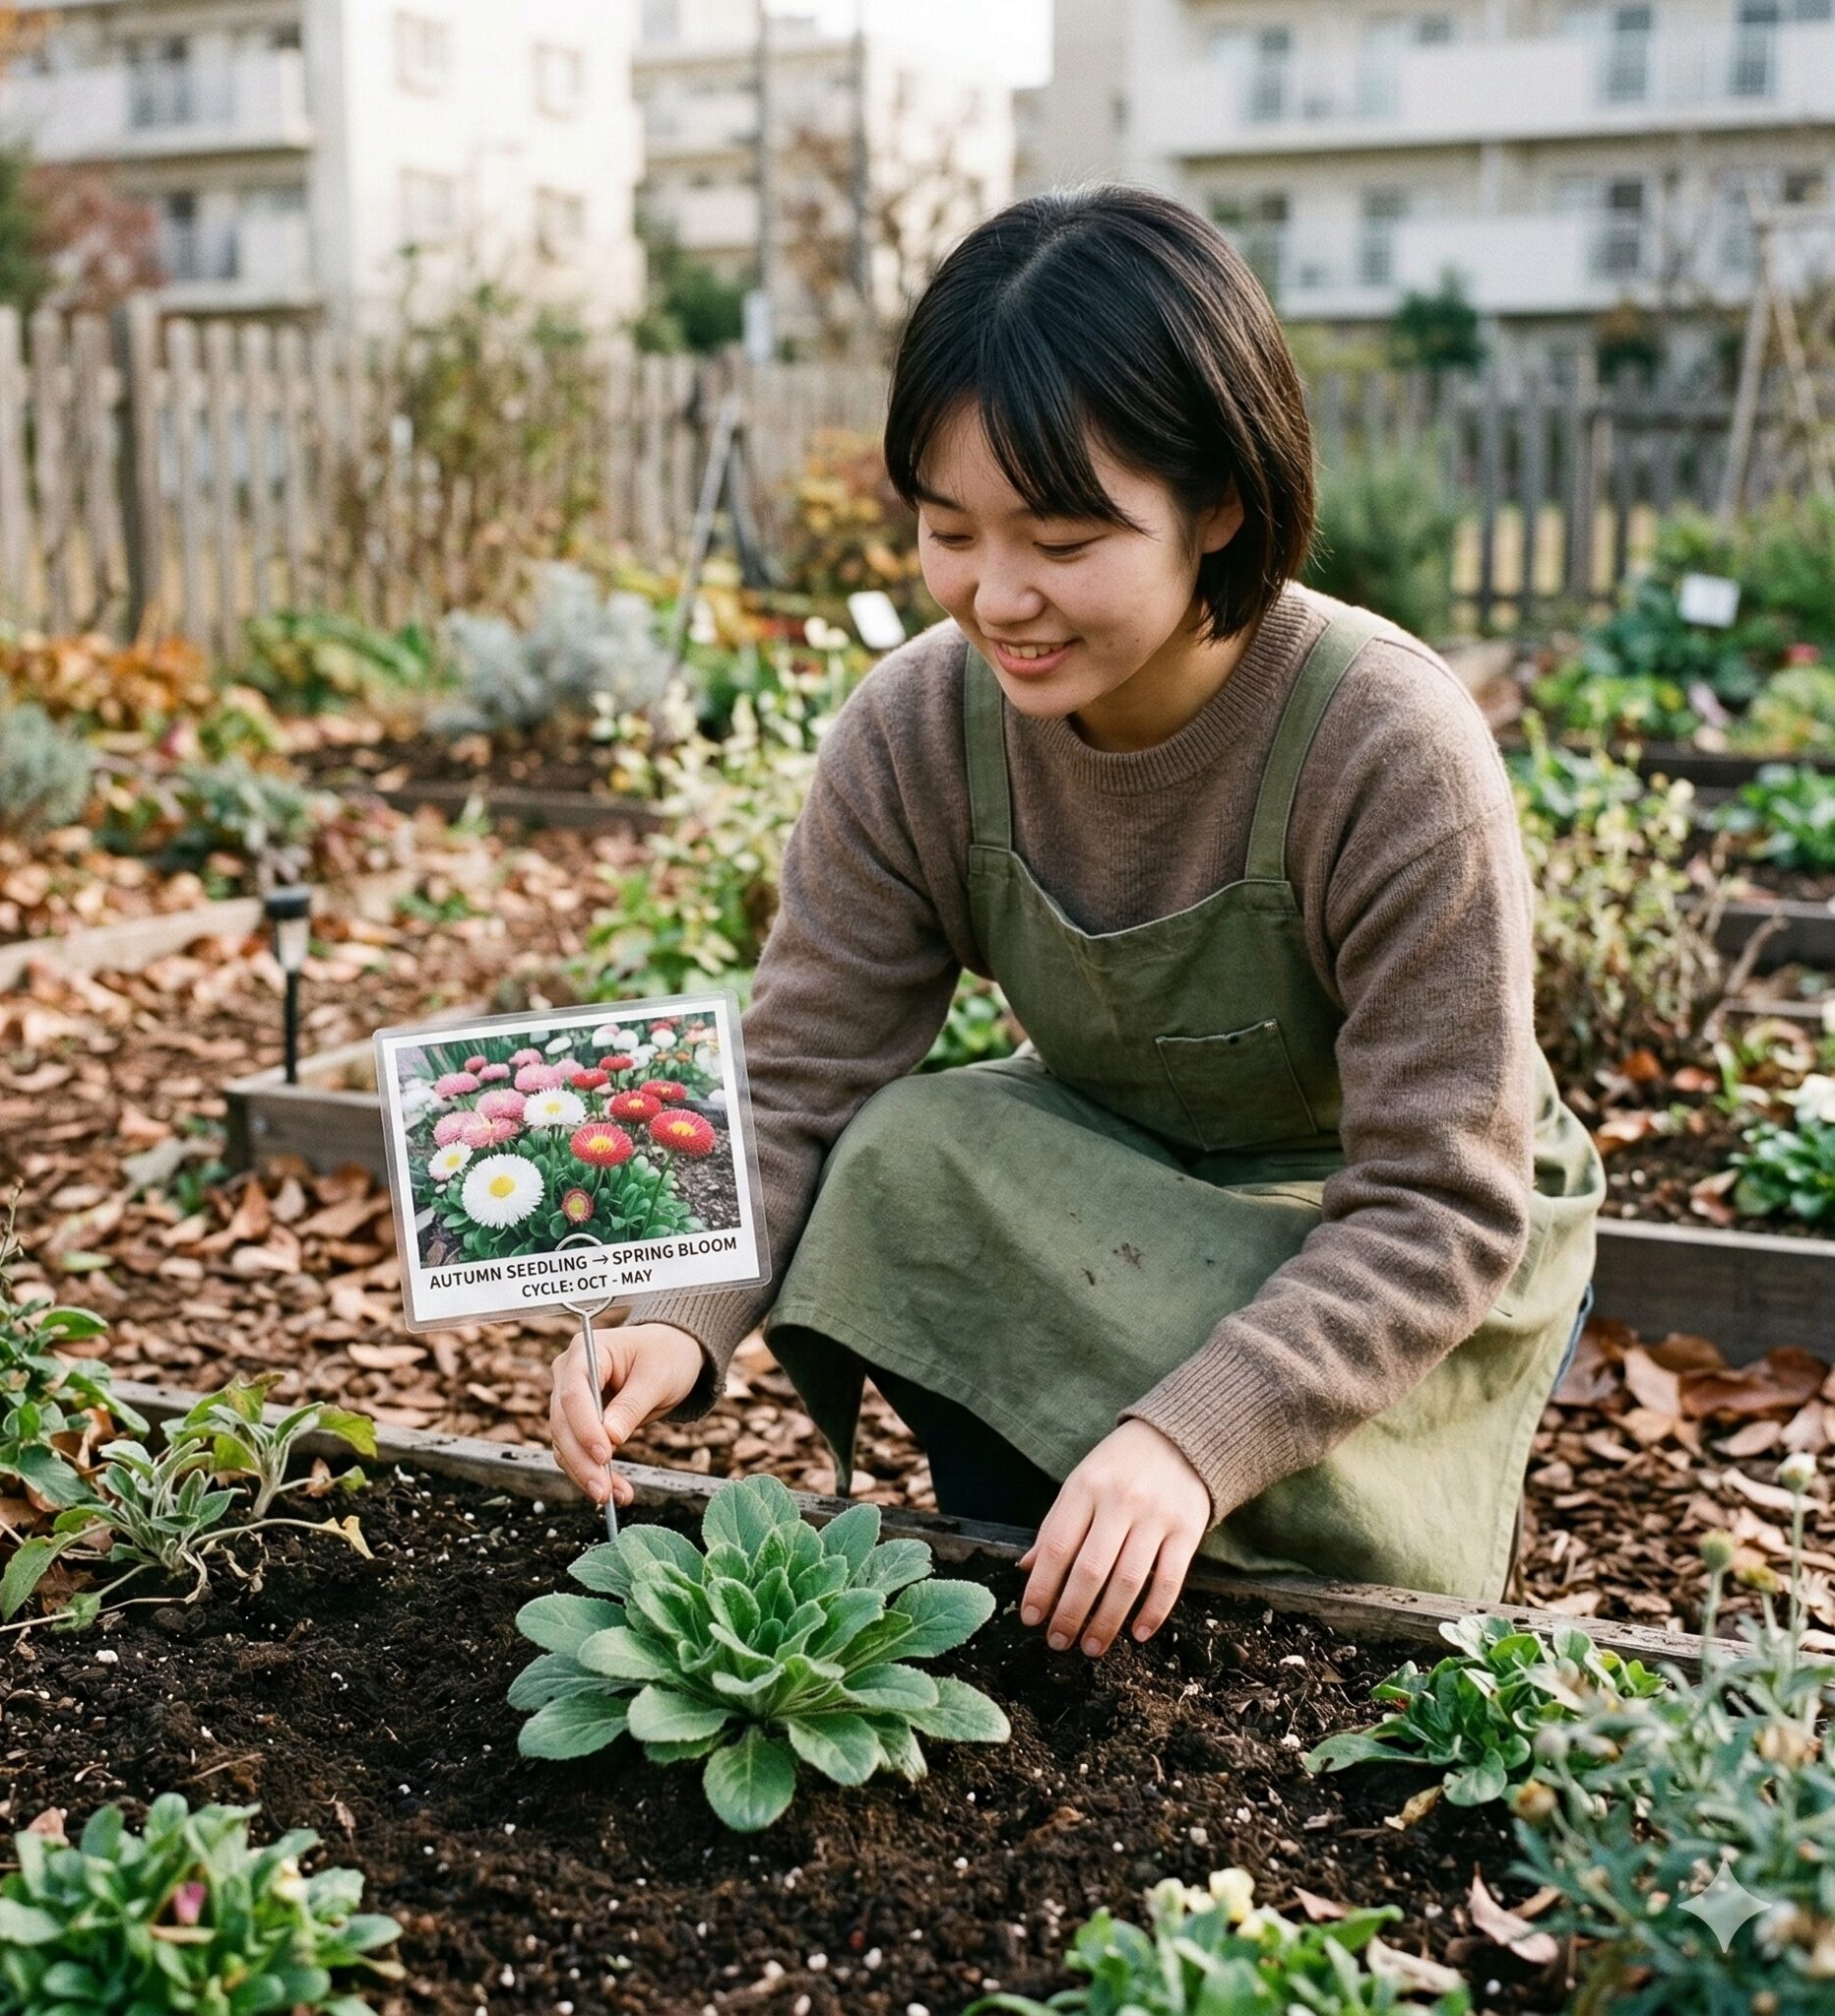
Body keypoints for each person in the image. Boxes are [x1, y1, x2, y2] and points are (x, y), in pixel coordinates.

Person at [546, 186, 1604, 1661]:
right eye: (949, 530)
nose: (999, 596)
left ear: (1219, 505)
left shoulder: (1385, 743)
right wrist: (679, 1313)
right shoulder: (918, 728)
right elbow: (796, 1084)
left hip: (1389, 1229)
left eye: (1062, 536)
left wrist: (1191, 1437)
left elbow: (1443, 1197)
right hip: (1134, 1174)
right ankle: (1026, 1550)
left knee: (1283, 1613)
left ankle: (1201, 1539)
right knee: (903, 1153)